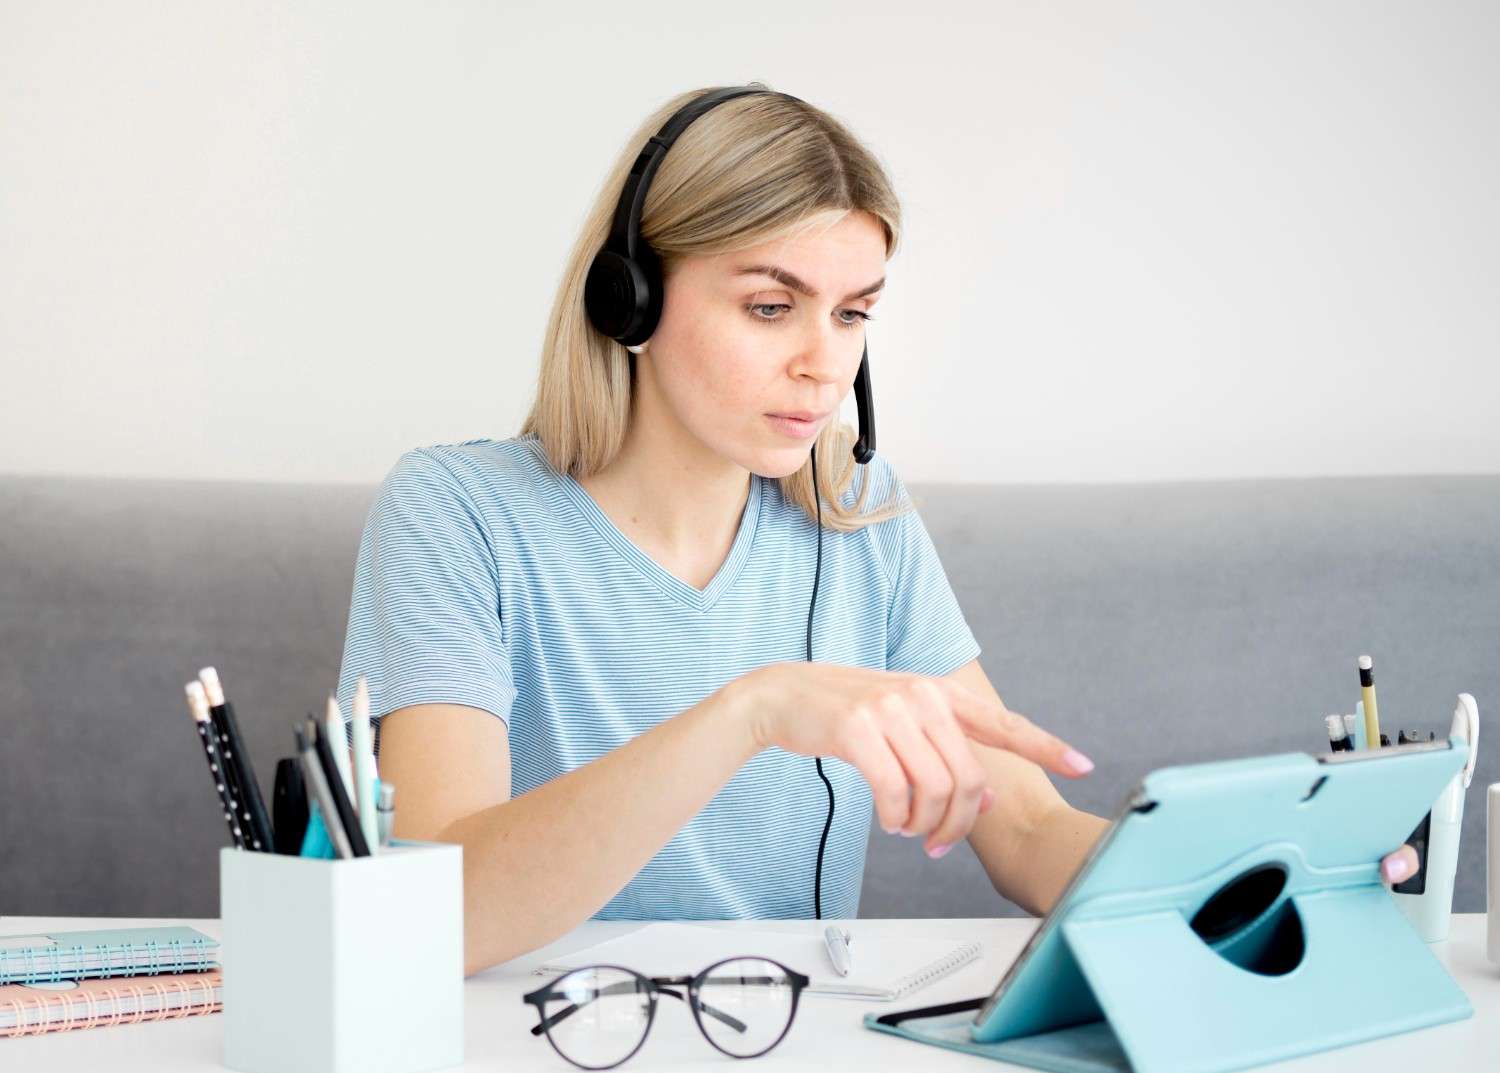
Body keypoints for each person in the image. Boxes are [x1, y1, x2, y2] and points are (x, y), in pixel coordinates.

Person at [335, 84, 1420, 977]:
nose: (826, 361)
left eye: (854, 311)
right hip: (533, 1057)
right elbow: (439, 911)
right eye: (771, 306)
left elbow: (1031, 831)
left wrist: (1252, 868)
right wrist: (756, 710)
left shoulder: (861, 520)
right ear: (631, 299)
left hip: (783, 1053)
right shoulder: (456, 512)